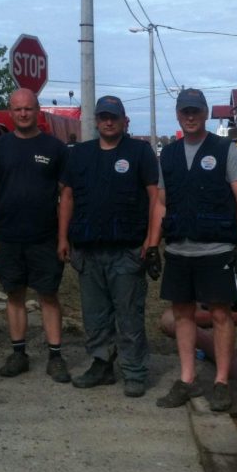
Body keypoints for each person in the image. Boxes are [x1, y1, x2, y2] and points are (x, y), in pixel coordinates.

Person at [149, 88, 237, 412]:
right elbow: (161, 203)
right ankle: (187, 379)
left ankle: (221, 382)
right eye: (185, 111)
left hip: (217, 249)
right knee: (182, 315)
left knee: (221, 314)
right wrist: (153, 245)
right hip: (180, 250)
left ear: (205, 113)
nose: (190, 116)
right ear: (178, 115)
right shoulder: (167, 154)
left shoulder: (225, 150)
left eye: (196, 110)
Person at [57, 95, 160, 398]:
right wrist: (62, 238)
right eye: (103, 116)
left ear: (125, 121)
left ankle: (134, 371)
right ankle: (101, 365)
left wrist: (151, 242)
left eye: (114, 116)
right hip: (88, 251)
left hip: (127, 250)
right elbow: (67, 198)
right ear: (97, 121)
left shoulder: (139, 152)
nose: (109, 121)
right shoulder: (79, 154)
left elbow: (156, 199)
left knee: (129, 315)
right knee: (95, 316)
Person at [0, 88, 70, 382]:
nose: (22, 114)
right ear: (10, 110)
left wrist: (63, 237)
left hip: (44, 236)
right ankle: (18, 354)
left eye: (28, 109)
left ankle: (55, 356)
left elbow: (66, 194)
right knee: (14, 294)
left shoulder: (54, 148)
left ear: (37, 110)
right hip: (7, 236)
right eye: (17, 109)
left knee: (48, 296)